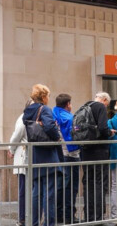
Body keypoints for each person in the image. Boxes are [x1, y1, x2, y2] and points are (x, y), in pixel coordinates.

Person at [23, 84, 62, 226]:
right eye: (48, 96)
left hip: (35, 155)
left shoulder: (28, 110)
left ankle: (34, 222)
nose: (49, 99)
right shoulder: (45, 109)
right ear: (44, 96)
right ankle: (49, 223)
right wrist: (57, 137)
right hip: (47, 155)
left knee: (36, 192)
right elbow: (50, 126)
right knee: (49, 193)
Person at [80, 92, 113, 224]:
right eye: (107, 104)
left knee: (88, 182)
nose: (106, 106)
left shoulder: (85, 106)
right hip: (99, 151)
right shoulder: (100, 107)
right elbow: (103, 128)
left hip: (86, 151)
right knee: (99, 183)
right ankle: (98, 217)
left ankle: (89, 215)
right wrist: (110, 132)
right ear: (104, 100)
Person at [52, 93, 79, 224]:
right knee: (71, 187)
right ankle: (69, 216)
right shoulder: (70, 118)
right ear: (68, 104)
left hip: (58, 156)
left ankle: (58, 214)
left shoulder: (52, 114)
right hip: (71, 155)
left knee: (60, 186)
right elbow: (76, 134)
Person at [9, 99, 33, 226]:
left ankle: (26, 217)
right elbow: (16, 136)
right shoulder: (23, 118)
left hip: (30, 157)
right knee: (24, 189)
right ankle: (23, 218)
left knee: (28, 190)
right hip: (24, 157)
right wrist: (11, 149)